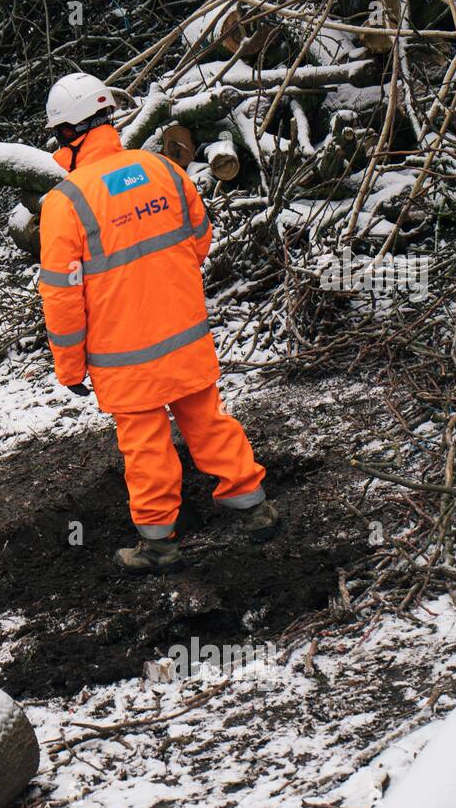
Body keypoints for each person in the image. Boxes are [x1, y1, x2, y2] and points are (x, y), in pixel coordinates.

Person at [37, 72, 278, 573]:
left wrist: (69, 368)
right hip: (185, 336)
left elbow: (61, 298)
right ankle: (255, 510)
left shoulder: (65, 203)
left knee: (146, 446)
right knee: (209, 421)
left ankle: (160, 546)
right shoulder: (162, 170)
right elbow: (199, 241)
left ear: (65, 134)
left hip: (124, 357)